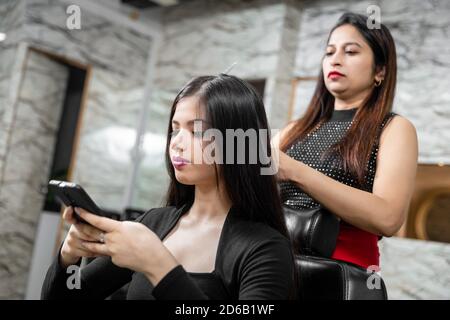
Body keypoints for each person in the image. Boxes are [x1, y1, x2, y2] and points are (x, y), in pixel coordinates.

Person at [41, 74, 296, 300]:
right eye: (175, 130)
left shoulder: (266, 249)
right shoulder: (153, 223)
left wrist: (157, 264)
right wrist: (68, 257)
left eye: (196, 131)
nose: (177, 143)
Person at [274, 12, 418, 269]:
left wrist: (294, 171)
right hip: (276, 266)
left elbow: (389, 218)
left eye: (350, 52)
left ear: (380, 70)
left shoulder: (394, 128)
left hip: (339, 275)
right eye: (329, 52)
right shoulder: (293, 130)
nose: (335, 61)